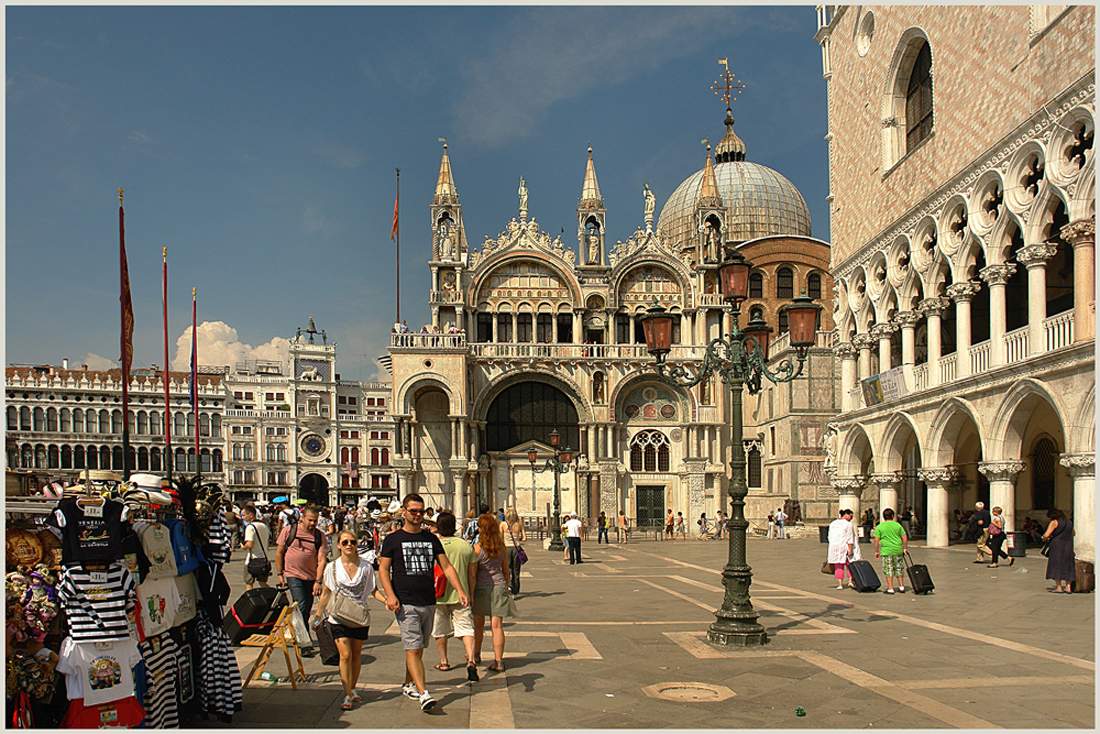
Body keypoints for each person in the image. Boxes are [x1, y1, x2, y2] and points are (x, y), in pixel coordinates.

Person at [378, 494, 469, 712]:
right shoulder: (393, 539)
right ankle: (423, 693)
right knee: (413, 647)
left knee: (417, 650)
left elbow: (446, 567)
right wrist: (390, 595)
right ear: (404, 512)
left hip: (429, 600)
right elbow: (383, 569)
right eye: (413, 511)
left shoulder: (431, 539)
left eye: (420, 511)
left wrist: (460, 590)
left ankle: (408, 683)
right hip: (405, 602)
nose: (417, 515)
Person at [313, 530, 388, 711]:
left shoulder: (366, 567)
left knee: (356, 655)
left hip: (359, 616)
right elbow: (326, 593)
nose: (349, 545)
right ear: (339, 545)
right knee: (345, 655)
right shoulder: (332, 567)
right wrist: (317, 614)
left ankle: (352, 688)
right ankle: (347, 693)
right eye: (345, 542)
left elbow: (373, 591)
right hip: (338, 617)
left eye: (353, 542)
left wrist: (387, 601)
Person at [431, 512, 479, 683]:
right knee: (466, 628)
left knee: (440, 629)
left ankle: (444, 661)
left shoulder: (434, 545)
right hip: (461, 593)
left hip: (438, 594)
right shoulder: (465, 546)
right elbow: (472, 575)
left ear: (438, 527)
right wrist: (470, 593)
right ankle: (471, 659)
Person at [275, 505, 327, 655]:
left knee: (306, 608)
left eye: (315, 521)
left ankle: (295, 632)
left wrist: (318, 581)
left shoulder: (319, 536)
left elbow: (321, 559)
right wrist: (280, 573)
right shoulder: (289, 530)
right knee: (301, 605)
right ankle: (304, 642)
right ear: (302, 518)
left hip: (311, 576)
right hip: (292, 574)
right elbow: (279, 552)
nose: (312, 523)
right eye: (310, 520)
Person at [472, 513, 512, 673]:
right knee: (497, 626)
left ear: (482, 529)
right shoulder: (501, 547)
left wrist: (470, 592)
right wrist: (505, 586)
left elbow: (473, 574)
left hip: (481, 588)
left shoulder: (477, 549)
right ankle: (499, 661)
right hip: (499, 586)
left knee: (478, 625)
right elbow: (506, 571)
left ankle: (476, 655)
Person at [872, 508, 909, 594]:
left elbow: (876, 540)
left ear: (883, 517)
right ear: (892, 516)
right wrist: (905, 548)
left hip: (886, 551)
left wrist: (876, 551)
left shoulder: (880, 527)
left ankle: (890, 588)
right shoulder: (898, 525)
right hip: (898, 550)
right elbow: (904, 537)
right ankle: (901, 586)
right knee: (899, 568)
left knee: (888, 569)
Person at [1041, 509, 1075, 593]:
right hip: (1068, 545)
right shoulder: (1069, 522)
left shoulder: (1054, 522)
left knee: (1056, 565)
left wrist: (1043, 538)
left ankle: (1059, 587)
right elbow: (1073, 533)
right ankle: (1068, 587)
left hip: (1057, 546)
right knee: (1068, 565)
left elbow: (1046, 535)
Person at [241, 504, 271, 590]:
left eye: (244, 515)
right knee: (262, 583)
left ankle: (249, 598)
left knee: (249, 583)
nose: (242, 517)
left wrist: (243, 546)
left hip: (252, 560)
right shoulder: (264, 526)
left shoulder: (250, 527)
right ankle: (275, 595)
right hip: (264, 559)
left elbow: (250, 544)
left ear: (251, 515)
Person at [827, 509, 859, 590]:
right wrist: (850, 549)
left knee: (838, 565)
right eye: (851, 516)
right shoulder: (848, 524)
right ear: (846, 515)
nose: (851, 518)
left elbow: (829, 536)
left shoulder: (833, 523)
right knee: (849, 564)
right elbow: (849, 538)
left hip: (834, 546)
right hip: (844, 546)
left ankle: (840, 584)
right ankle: (850, 581)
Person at [504, 509, 526, 595]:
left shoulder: (503, 524)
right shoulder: (519, 524)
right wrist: (517, 538)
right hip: (516, 548)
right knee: (516, 570)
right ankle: (515, 590)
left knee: (507, 569)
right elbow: (524, 538)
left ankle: (509, 586)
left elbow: (500, 538)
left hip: (506, 548)